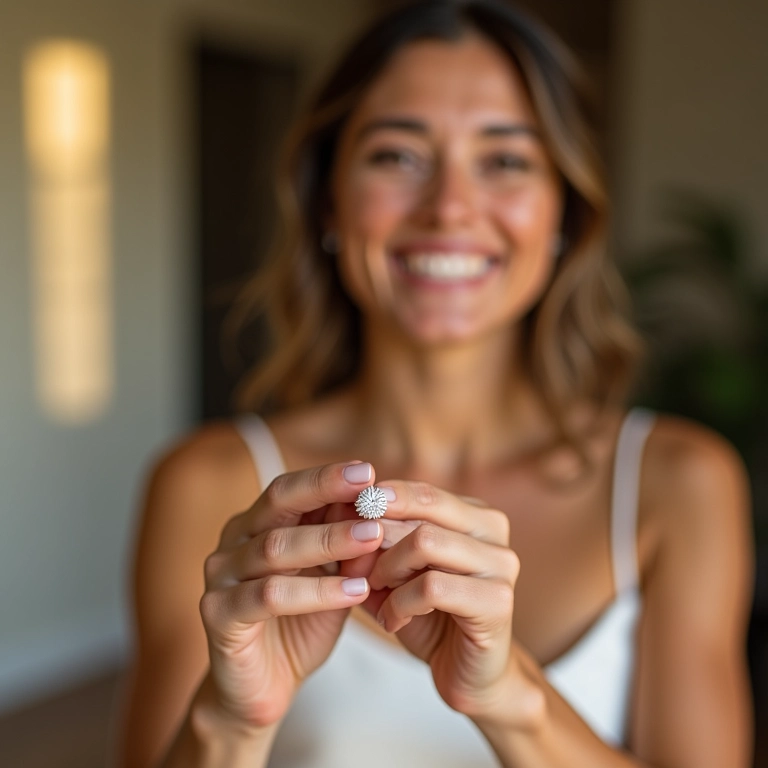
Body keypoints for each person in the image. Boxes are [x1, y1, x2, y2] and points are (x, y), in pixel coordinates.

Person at [118, 1, 754, 765]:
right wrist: (232, 723)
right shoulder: (206, 483)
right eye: (397, 156)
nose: (450, 207)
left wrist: (510, 699)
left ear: (563, 213)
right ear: (330, 199)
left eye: (506, 160)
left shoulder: (680, 482)